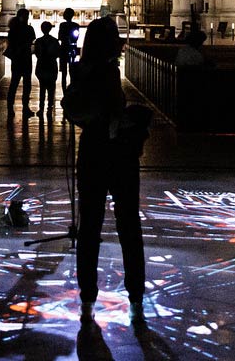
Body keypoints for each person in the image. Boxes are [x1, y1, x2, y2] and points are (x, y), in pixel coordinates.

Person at [68, 17, 147, 321]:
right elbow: (113, 111)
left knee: (89, 227)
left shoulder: (82, 70)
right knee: (128, 226)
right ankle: (135, 293)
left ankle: (87, 295)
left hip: (92, 152)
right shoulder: (108, 72)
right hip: (118, 155)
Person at [6, 7, 35, 116]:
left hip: (17, 59)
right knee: (27, 84)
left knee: (14, 83)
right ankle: (25, 107)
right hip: (26, 58)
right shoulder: (29, 29)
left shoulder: (13, 30)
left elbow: (11, 43)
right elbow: (32, 42)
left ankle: (10, 108)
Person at [34, 22, 64, 117]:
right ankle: (50, 108)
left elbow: (36, 53)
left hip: (42, 65)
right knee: (51, 89)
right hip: (51, 65)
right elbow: (58, 53)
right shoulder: (54, 41)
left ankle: (41, 108)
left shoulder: (38, 41)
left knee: (42, 88)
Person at [58, 8, 82, 89]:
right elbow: (76, 36)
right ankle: (71, 87)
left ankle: (65, 88)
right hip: (71, 47)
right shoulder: (75, 25)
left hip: (65, 47)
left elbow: (60, 36)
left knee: (65, 71)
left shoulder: (63, 25)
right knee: (71, 69)